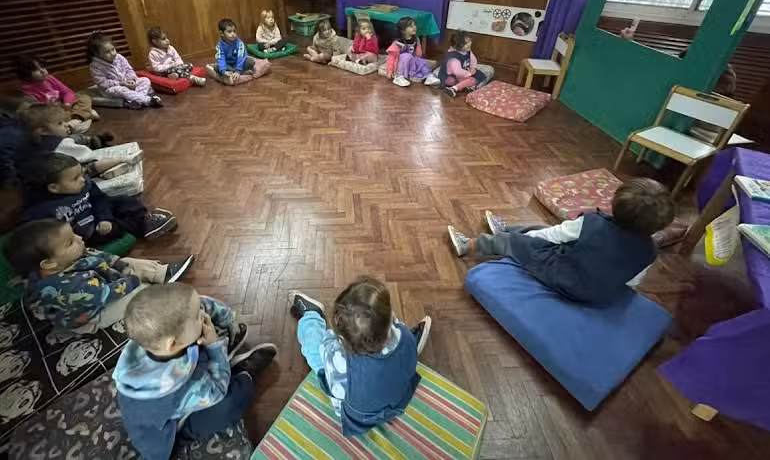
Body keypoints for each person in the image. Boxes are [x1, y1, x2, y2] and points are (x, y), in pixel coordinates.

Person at [447, 178, 675, 306]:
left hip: (564, 278)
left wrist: (519, 241)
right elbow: (633, 282)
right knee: (555, 233)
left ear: (616, 204)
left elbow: (548, 236)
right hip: (597, 295)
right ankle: (505, 230)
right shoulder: (650, 251)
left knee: (525, 238)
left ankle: (469, 244)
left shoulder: (593, 223)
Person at [114, 283, 277, 460]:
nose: (203, 313)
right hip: (170, 432)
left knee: (197, 337)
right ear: (172, 344)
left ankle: (222, 357)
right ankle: (242, 373)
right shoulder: (174, 387)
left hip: (169, 399)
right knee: (229, 404)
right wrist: (214, 345)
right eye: (198, 315)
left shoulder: (152, 339)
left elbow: (199, 305)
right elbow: (218, 391)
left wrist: (226, 319)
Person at [288, 276, 431, 437]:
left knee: (314, 350)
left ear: (343, 340)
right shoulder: (403, 332)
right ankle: (407, 349)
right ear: (390, 316)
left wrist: (330, 340)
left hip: (361, 417)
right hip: (398, 401)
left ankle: (311, 314)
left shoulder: (340, 362)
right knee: (403, 345)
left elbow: (336, 390)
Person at [4, 219, 194, 333]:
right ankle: (157, 292)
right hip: (93, 313)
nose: (80, 238)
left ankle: (164, 273)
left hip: (96, 283)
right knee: (138, 296)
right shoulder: (68, 288)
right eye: (70, 242)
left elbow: (102, 257)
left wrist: (121, 266)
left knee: (128, 262)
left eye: (74, 234)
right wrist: (133, 281)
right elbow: (105, 294)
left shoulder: (66, 258)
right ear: (48, 264)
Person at [22, 152, 178, 244]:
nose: (82, 180)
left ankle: (145, 219)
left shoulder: (84, 184)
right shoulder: (41, 210)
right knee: (117, 227)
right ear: (54, 188)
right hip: (89, 234)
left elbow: (100, 199)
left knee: (124, 200)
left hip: (97, 215)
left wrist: (104, 218)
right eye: (75, 178)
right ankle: (143, 225)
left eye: (82, 174)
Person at [17, 103, 134, 180]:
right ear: (43, 131)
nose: (65, 125)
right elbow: (85, 156)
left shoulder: (30, 142)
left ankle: (95, 141)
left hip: (48, 173)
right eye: (60, 123)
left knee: (75, 138)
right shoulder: (59, 145)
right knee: (91, 165)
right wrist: (95, 157)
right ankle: (122, 160)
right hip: (67, 174)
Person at [15, 56, 99, 132]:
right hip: (54, 113)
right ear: (26, 75)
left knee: (84, 97)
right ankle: (83, 115)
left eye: (42, 67)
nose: (42, 71)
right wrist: (54, 109)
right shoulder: (27, 90)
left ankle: (77, 119)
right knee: (50, 121)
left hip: (64, 106)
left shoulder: (50, 79)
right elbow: (37, 110)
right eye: (36, 70)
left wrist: (67, 102)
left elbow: (67, 92)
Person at [88, 30, 162, 109]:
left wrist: (131, 79)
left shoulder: (119, 57)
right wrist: (121, 83)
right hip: (112, 89)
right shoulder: (95, 66)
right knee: (121, 90)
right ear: (97, 54)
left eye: (113, 49)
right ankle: (148, 100)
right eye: (107, 52)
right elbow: (103, 83)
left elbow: (129, 70)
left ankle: (135, 100)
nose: (112, 53)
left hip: (128, 83)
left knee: (145, 80)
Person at [437, 31, 491, 97]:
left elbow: (473, 60)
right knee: (471, 80)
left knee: (479, 75)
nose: (469, 44)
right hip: (450, 76)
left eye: (469, 41)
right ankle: (454, 88)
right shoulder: (453, 58)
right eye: (466, 43)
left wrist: (472, 68)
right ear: (457, 46)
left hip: (463, 72)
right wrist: (469, 73)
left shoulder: (467, 51)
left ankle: (463, 85)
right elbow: (458, 72)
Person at [215, 18, 266, 85]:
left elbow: (241, 57)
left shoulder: (239, 43)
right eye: (229, 32)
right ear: (222, 33)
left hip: (238, 64)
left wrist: (238, 71)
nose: (233, 34)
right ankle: (240, 72)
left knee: (250, 61)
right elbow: (220, 58)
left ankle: (237, 73)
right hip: (228, 65)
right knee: (217, 66)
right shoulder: (220, 45)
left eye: (234, 31)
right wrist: (223, 71)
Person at [386, 17, 431, 87]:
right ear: (403, 30)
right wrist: (389, 71)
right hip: (400, 65)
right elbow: (391, 57)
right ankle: (399, 77)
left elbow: (418, 55)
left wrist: (418, 44)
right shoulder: (398, 42)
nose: (414, 27)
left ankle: (428, 76)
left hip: (411, 63)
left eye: (414, 25)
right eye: (411, 26)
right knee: (407, 56)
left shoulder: (416, 39)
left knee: (421, 61)